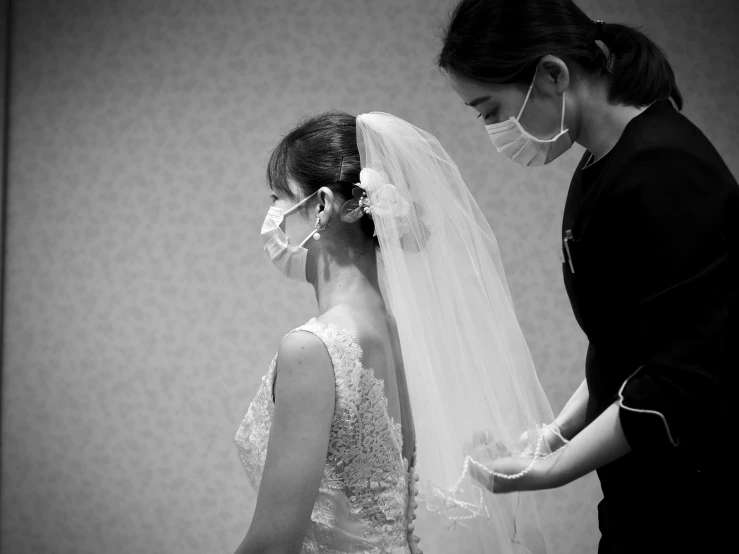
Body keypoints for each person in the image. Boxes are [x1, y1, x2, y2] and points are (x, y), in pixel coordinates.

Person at [438, 0, 738, 552]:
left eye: (489, 109)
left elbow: (678, 377)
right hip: (640, 488)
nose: (493, 129)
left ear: (552, 74)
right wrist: (553, 436)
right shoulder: (599, 163)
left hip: (693, 492)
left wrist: (552, 471)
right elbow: (625, 346)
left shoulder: (664, 168)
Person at [233, 111, 560, 554]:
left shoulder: (311, 349)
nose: (273, 221)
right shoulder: (398, 334)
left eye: (279, 200)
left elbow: (272, 544)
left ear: (324, 206)